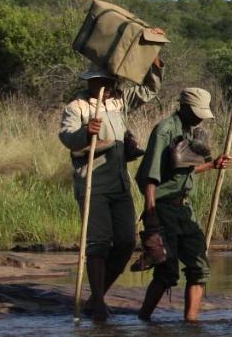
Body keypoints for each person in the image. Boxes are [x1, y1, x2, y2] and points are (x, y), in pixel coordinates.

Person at [58, 59, 162, 322]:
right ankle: (98, 302)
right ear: (92, 82)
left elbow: (149, 91)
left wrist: (155, 67)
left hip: (120, 184)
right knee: (98, 243)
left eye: (113, 81)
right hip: (93, 184)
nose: (110, 86)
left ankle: (96, 297)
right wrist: (86, 132)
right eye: (105, 81)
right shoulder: (77, 107)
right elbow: (67, 137)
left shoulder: (119, 101)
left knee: (126, 242)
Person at [134, 88, 232, 322]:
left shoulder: (189, 132)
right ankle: (143, 319)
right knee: (167, 272)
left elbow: (184, 170)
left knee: (199, 268)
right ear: (185, 107)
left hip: (184, 208)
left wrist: (212, 165)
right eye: (196, 113)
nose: (200, 118)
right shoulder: (165, 131)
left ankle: (191, 323)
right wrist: (151, 215)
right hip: (163, 208)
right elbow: (150, 176)